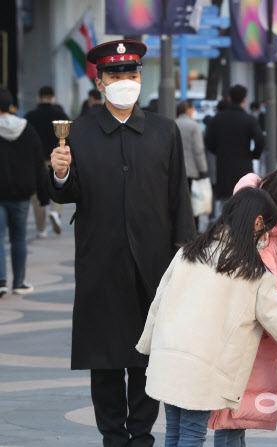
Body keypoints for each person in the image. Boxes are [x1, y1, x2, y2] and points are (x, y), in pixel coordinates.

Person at [48, 40, 196, 446]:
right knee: (106, 359)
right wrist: (59, 173)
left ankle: (142, 436)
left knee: (149, 359)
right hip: (102, 263)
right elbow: (66, 193)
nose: (125, 82)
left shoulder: (164, 131)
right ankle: (112, 436)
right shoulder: (80, 134)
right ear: (100, 82)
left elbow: (178, 199)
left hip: (154, 264)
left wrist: (186, 256)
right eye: (115, 75)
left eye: (132, 74)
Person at [136, 187, 277, 447]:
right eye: (266, 229)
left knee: (175, 432)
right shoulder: (253, 273)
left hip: (168, 359)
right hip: (203, 368)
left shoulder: (187, 253)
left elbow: (158, 303)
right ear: (256, 223)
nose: (266, 237)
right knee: (191, 435)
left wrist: (147, 346)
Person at [208, 169, 277, 445]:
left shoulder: (266, 231)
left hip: (247, 341)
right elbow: (274, 301)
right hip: (244, 342)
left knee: (234, 419)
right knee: (230, 420)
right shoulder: (261, 240)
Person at [0, 87, 49, 297]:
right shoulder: (26, 129)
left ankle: (1, 282)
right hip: (21, 194)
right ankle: (19, 282)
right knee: (18, 239)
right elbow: (39, 163)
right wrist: (44, 194)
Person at [205, 85, 265, 205]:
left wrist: (219, 152)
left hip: (223, 166)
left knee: (226, 205)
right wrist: (253, 155)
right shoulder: (249, 119)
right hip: (244, 166)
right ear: (244, 99)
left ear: (229, 98)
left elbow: (208, 141)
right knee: (244, 202)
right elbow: (260, 140)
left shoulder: (217, 119)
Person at [24, 85, 69, 238]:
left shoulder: (30, 116)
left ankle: (41, 228)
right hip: (57, 156)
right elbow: (69, 137)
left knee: (37, 195)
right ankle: (55, 212)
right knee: (59, 186)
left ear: (39, 98)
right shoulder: (61, 114)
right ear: (53, 98)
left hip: (35, 161)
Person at [176, 100, 208, 230]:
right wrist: (203, 169)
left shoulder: (173, 123)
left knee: (180, 201)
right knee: (193, 202)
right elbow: (198, 150)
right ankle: (193, 228)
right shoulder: (194, 126)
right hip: (192, 170)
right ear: (187, 110)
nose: (194, 110)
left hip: (177, 169)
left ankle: (180, 227)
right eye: (193, 108)